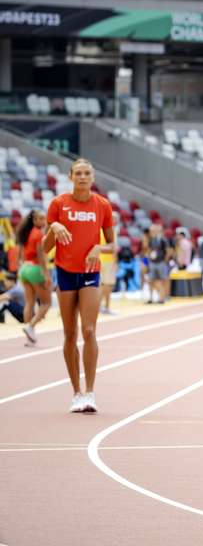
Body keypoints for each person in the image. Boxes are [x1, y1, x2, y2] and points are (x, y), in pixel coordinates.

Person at [43, 158, 115, 413]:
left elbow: (112, 245)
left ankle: (91, 393)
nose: (83, 177)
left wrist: (99, 247)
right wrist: (54, 226)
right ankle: (76, 393)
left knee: (89, 331)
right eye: (78, 173)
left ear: (92, 178)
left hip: (89, 273)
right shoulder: (58, 205)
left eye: (87, 173)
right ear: (71, 176)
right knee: (70, 333)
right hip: (65, 272)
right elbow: (45, 248)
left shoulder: (102, 205)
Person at [15, 209, 52, 344]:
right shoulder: (38, 235)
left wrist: (21, 267)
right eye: (41, 219)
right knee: (47, 303)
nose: (43, 221)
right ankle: (31, 327)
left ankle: (29, 337)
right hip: (35, 269)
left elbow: (20, 254)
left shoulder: (24, 233)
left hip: (24, 269)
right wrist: (46, 274)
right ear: (34, 220)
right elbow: (41, 256)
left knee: (29, 302)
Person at [99, 211, 119, 315]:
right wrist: (115, 263)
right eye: (113, 218)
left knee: (103, 286)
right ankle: (105, 307)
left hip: (105, 260)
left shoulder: (102, 229)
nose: (115, 220)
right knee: (108, 286)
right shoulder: (109, 230)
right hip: (107, 261)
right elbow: (113, 249)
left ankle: (101, 306)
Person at [146, 223, 172, 304]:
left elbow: (168, 251)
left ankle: (163, 297)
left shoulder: (163, 240)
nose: (151, 232)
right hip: (153, 263)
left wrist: (164, 261)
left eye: (153, 230)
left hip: (160, 262)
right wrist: (147, 262)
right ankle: (151, 297)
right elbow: (149, 251)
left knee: (163, 280)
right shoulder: (151, 240)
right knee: (151, 280)